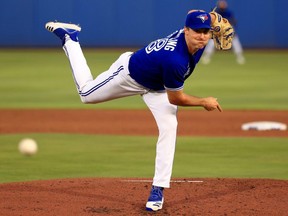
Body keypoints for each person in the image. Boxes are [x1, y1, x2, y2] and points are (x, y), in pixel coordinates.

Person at [45, 9, 222, 212]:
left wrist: (213, 17)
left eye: (206, 31)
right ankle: (70, 37)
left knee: (169, 126)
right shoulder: (176, 60)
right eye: (197, 31)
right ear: (186, 31)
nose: (202, 36)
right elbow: (176, 97)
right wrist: (203, 102)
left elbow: (194, 13)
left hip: (157, 88)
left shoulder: (196, 40)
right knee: (86, 95)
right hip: (129, 76)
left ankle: (158, 189)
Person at [202, 0, 245, 64]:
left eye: (223, 4)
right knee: (211, 42)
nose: (222, 5)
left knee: (235, 41)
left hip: (226, 30)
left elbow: (233, 22)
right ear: (218, 4)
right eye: (221, 3)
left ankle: (240, 56)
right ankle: (206, 56)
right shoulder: (216, 12)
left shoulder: (229, 13)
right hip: (218, 31)